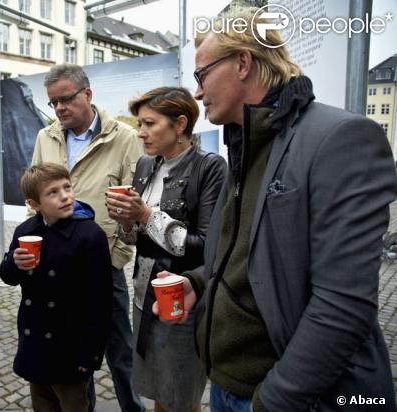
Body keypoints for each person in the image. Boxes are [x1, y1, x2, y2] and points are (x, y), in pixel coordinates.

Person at [152, 7, 397, 412]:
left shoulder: (341, 138)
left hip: (283, 398)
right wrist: (197, 283)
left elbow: (343, 306)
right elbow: (249, 258)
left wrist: (274, 401)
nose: (196, 92)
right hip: (229, 386)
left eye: (201, 75)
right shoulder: (245, 141)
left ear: (243, 63)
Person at [105, 87, 226, 412]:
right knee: (159, 389)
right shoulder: (146, 165)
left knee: (181, 395)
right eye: (139, 124)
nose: (140, 132)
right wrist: (126, 220)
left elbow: (205, 246)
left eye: (149, 123)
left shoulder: (209, 168)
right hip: (145, 297)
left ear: (180, 124)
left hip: (182, 299)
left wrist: (144, 214)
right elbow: (134, 241)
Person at [32, 64, 145, 411]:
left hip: (103, 265)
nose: (60, 108)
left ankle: (132, 408)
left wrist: (117, 253)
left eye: (66, 99)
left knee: (120, 351)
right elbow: (34, 194)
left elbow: (137, 205)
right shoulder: (45, 137)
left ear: (88, 94)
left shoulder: (124, 138)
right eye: (54, 102)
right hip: (59, 265)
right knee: (74, 353)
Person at [0, 163, 112, 412]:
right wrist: (14, 263)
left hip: (70, 347)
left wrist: (90, 356)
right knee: (43, 405)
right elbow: (8, 277)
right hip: (36, 343)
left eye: (67, 187)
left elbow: (100, 301)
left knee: (74, 405)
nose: (65, 196)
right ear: (34, 203)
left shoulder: (90, 235)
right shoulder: (25, 231)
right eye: (53, 192)